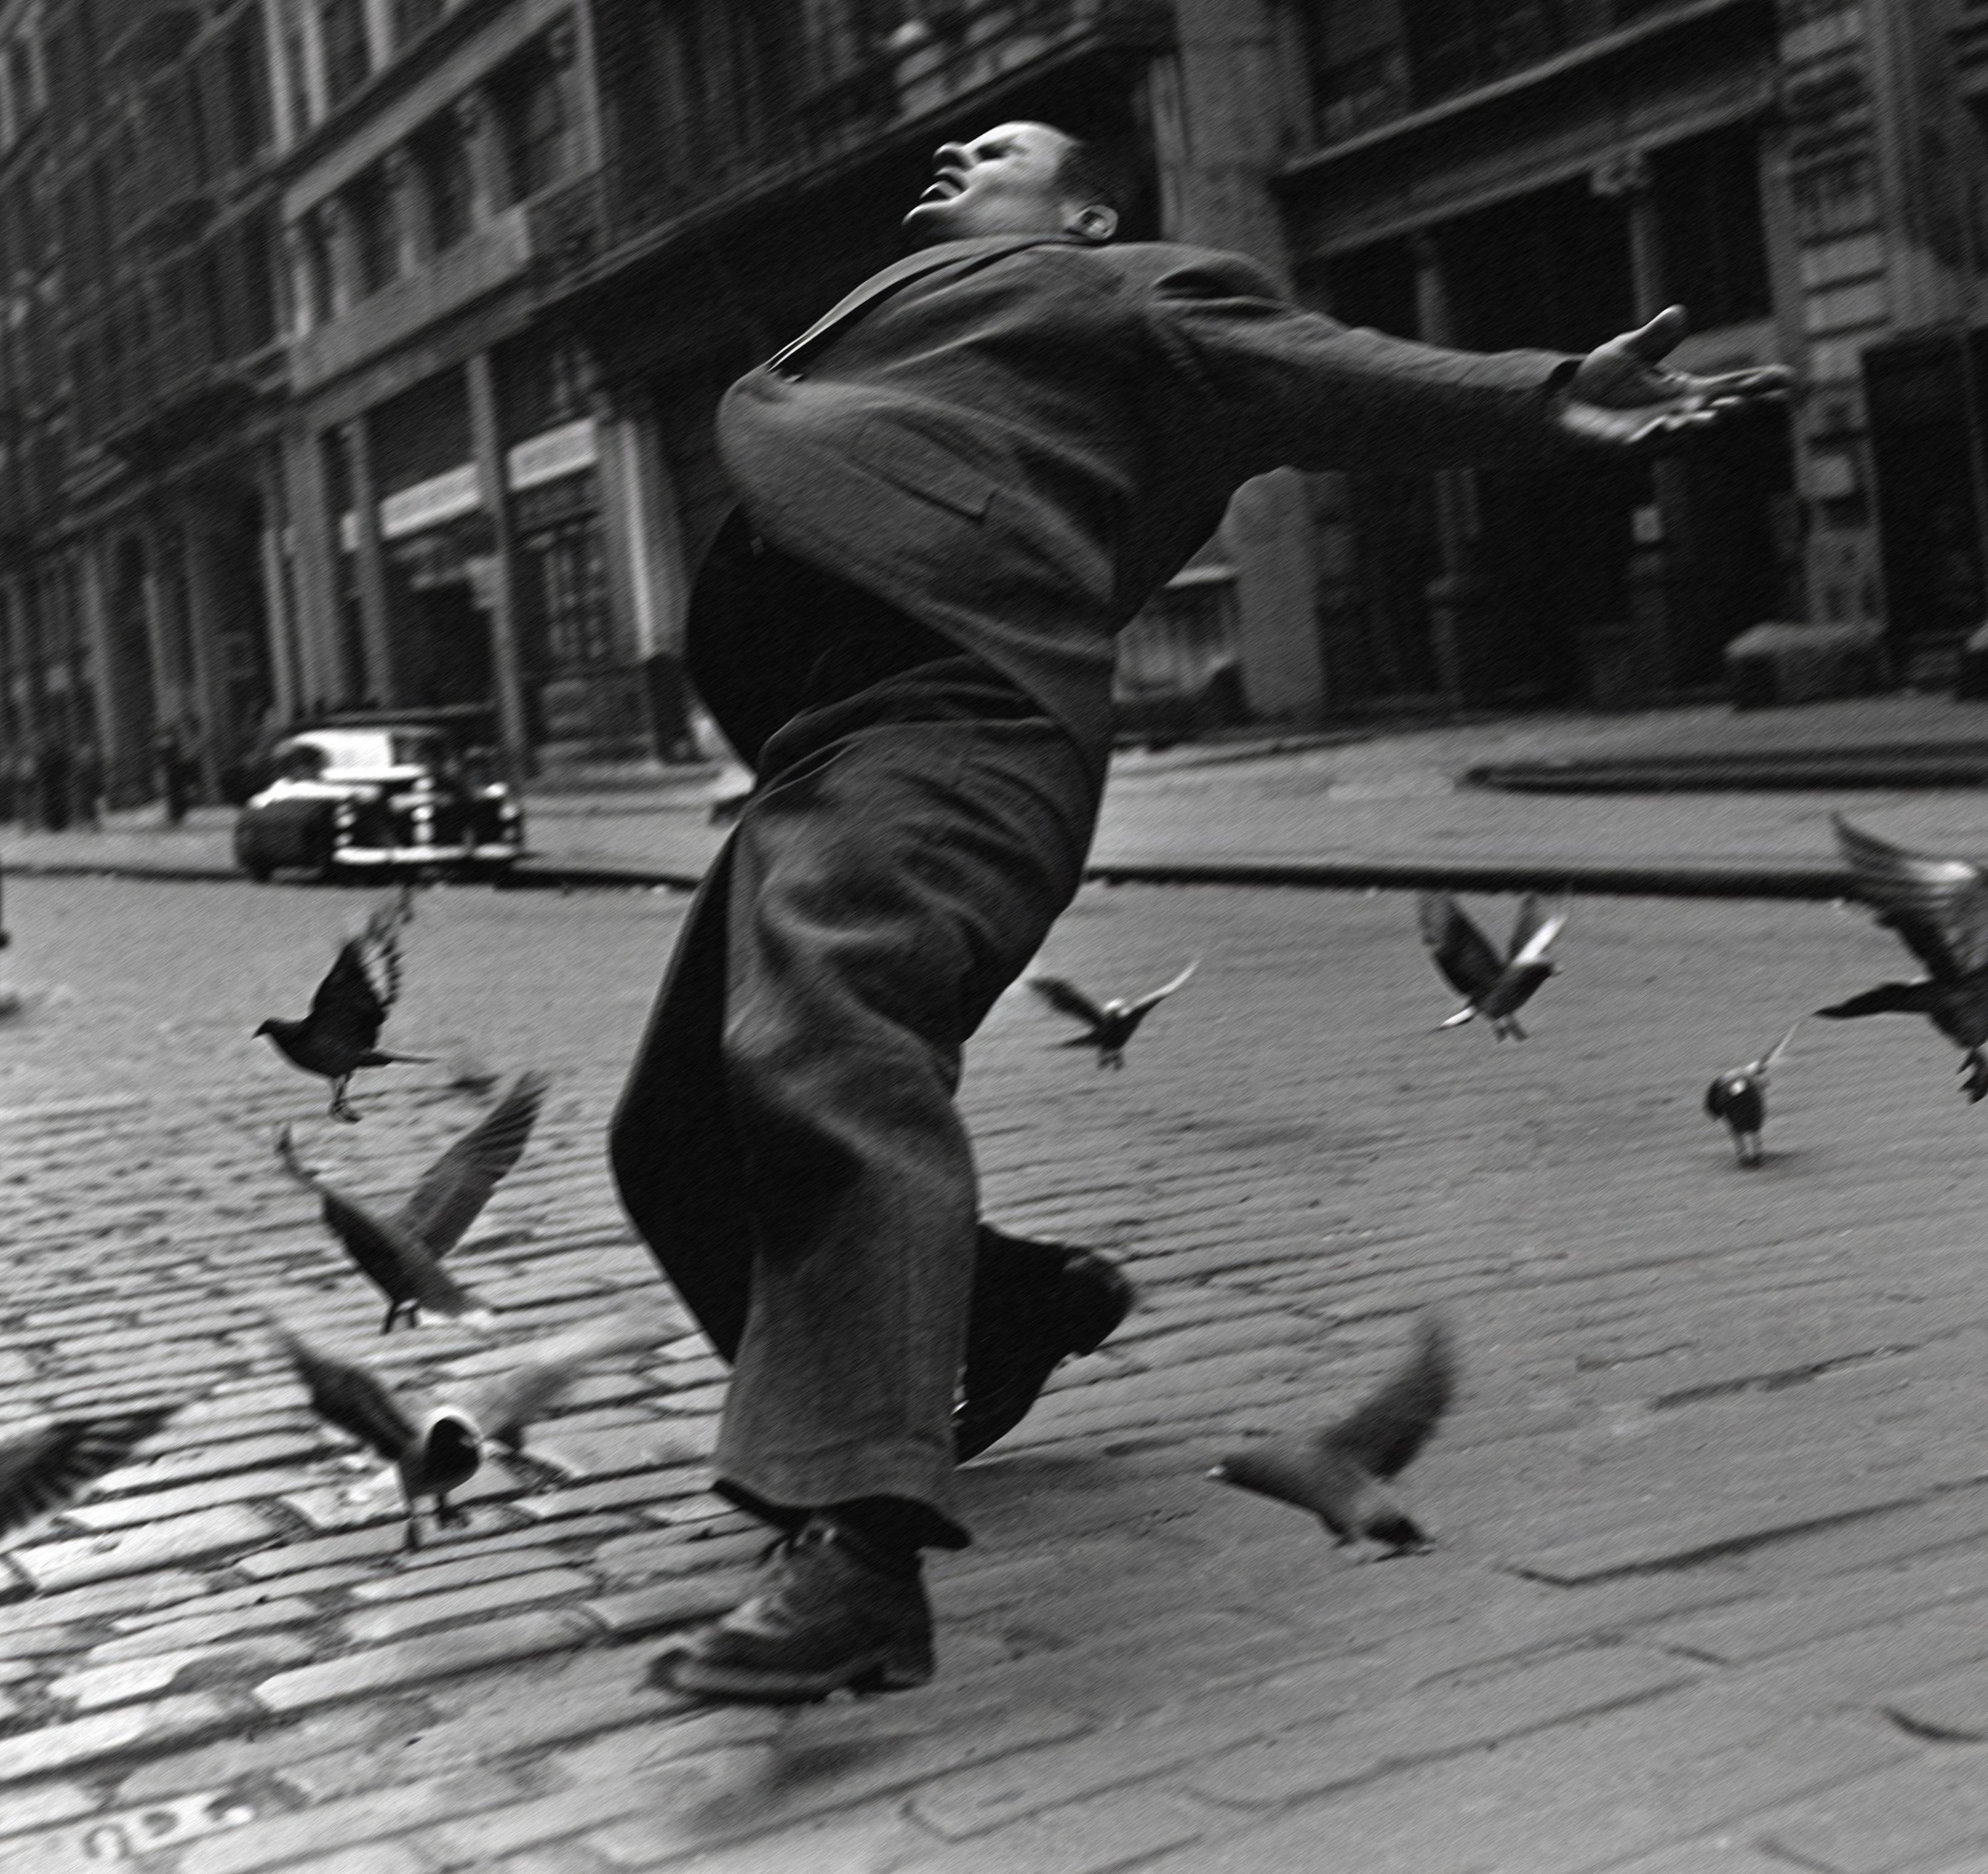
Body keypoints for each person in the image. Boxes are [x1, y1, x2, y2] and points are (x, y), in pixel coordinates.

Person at [613, 119, 1791, 1705]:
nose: (960, 147)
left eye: (1005, 145)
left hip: (951, 722)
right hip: (831, 749)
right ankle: (1012, 1308)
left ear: (1089, 210)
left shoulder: (1116, 289)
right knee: (675, 1131)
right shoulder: (927, 312)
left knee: (831, 1039)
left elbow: (1303, 368)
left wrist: (1538, 391)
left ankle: (858, 1546)